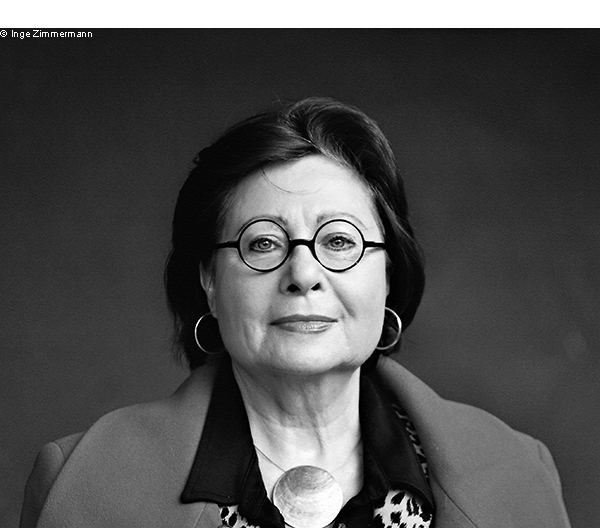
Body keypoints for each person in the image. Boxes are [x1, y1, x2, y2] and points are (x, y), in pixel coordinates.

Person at [20, 97, 571, 528]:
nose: (303, 274)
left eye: (339, 241)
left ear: (388, 275)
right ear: (209, 280)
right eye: (263, 243)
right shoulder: (80, 482)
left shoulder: (521, 472)